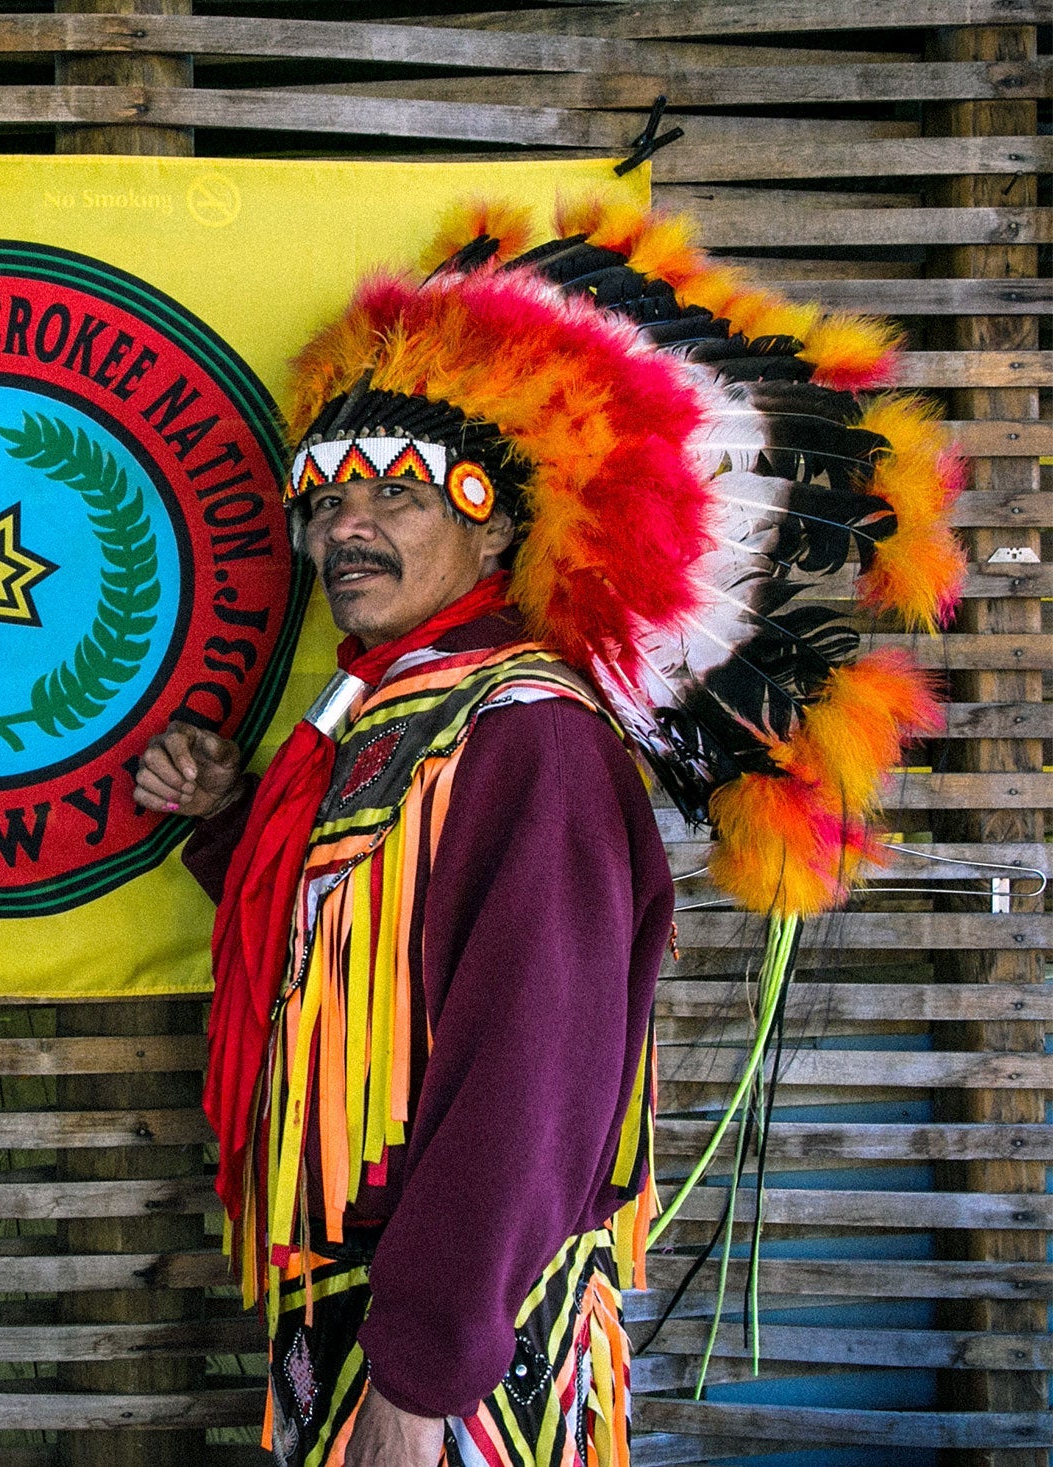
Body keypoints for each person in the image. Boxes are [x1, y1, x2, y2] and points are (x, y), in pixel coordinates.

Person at [135, 200, 963, 1467]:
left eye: (398, 496)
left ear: (497, 524)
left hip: (460, 1343)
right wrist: (228, 822)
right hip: (362, 1308)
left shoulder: (527, 734)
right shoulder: (385, 708)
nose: (343, 528)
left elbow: (529, 1063)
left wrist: (421, 1375)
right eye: (322, 500)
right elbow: (354, 949)